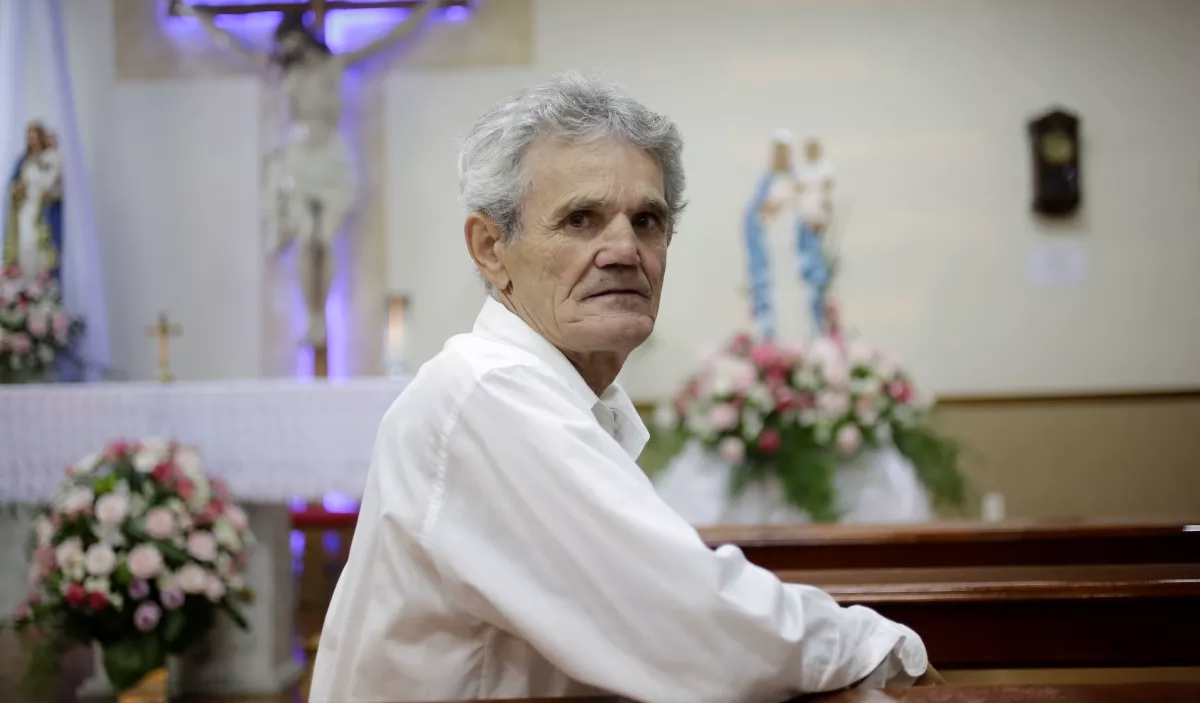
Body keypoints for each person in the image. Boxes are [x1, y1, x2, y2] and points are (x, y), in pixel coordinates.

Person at [310, 72, 941, 702]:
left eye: (646, 221)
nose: (624, 249)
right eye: (581, 219)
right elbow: (683, 617)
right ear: (491, 248)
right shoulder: (486, 393)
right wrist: (877, 648)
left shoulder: (552, 394)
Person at [168, 0, 452, 346]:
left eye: (287, 42)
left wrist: (429, 8)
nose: (283, 50)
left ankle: (323, 314)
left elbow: (389, 38)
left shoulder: (336, 66)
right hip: (300, 157)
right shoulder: (282, 71)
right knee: (306, 239)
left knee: (326, 240)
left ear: (301, 37)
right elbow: (233, 43)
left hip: (331, 155)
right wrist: (192, 14)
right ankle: (312, 318)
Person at [3, 122, 63, 279]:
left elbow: (54, 186)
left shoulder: (49, 158)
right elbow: (13, 183)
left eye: (35, 137)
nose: (32, 141)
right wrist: (17, 188)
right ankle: (27, 282)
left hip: (45, 211)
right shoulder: (24, 161)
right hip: (26, 208)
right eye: (29, 138)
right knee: (25, 243)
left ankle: (43, 283)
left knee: (42, 246)